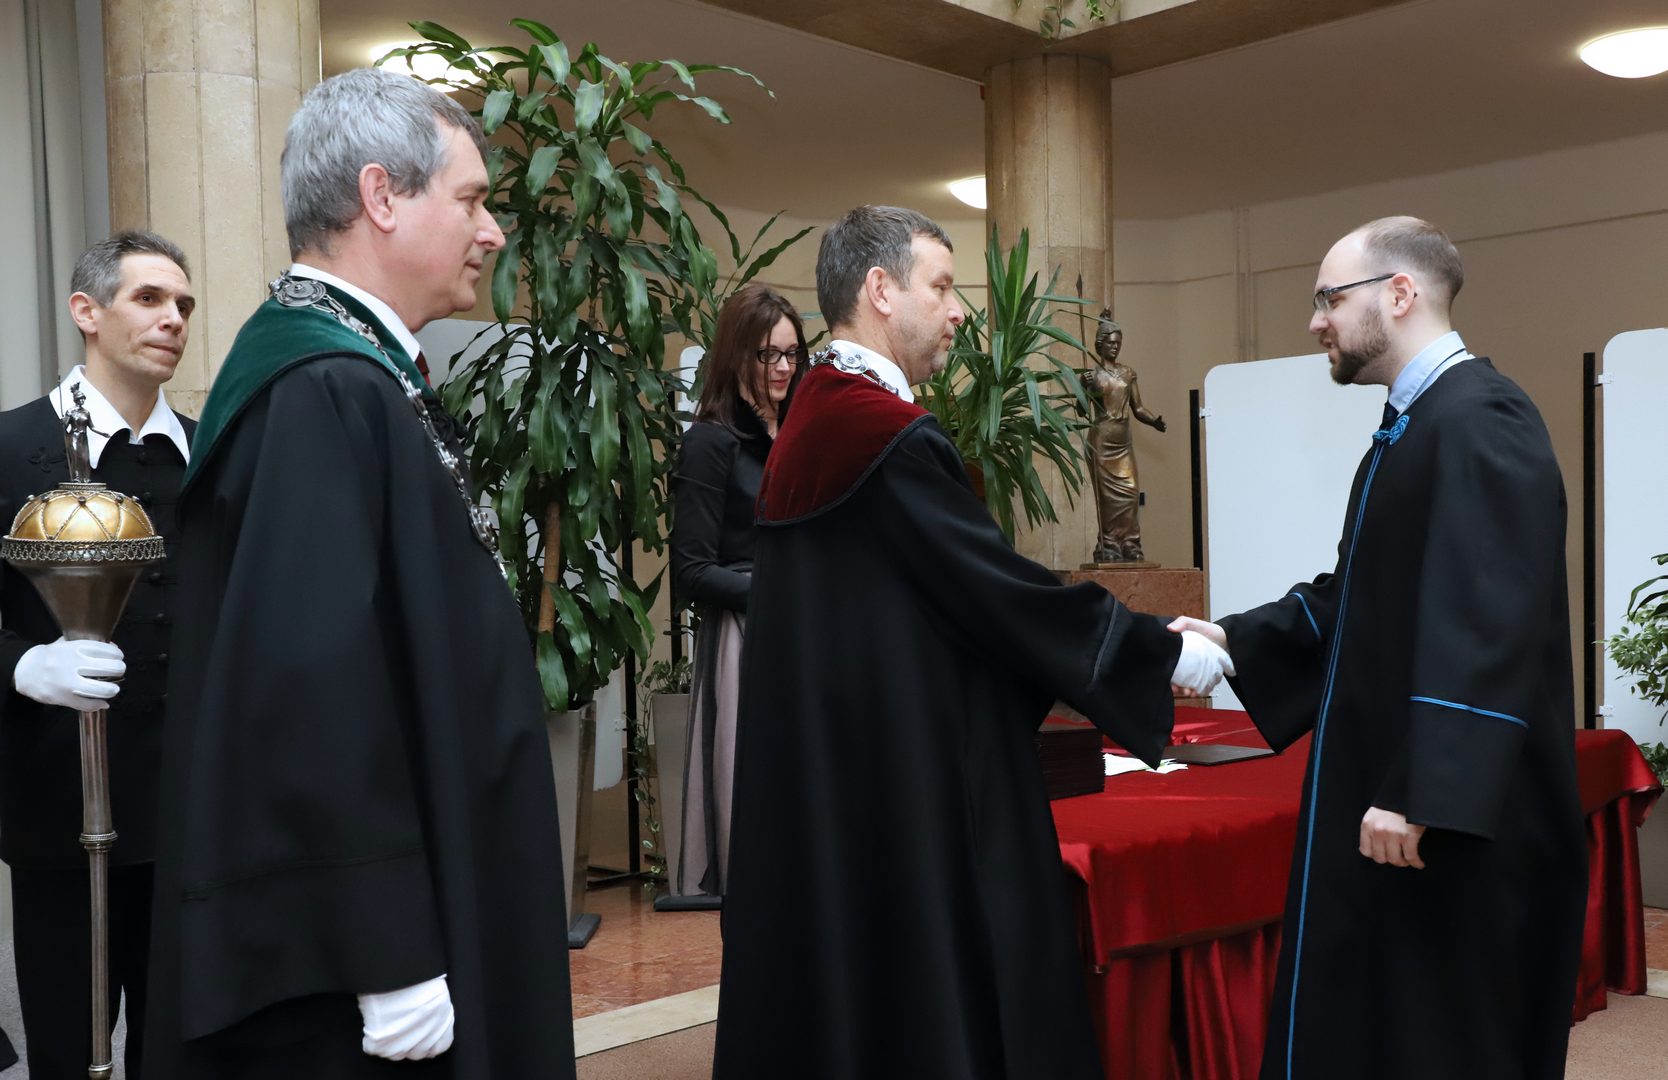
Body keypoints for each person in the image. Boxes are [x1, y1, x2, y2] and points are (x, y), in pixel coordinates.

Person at [712, 205, 1232, 1079]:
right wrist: (1155, 651)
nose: (959, 312)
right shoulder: (881, 435)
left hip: (847, 783)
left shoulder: (812, 418)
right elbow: (995, 593)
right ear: (880, 290)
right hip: (909, 790)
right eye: (943, 287)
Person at [142, 68, 575, 1079]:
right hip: (368, 967)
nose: (491, 232)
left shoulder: (356, 372)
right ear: (382, 196)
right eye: (471, 199)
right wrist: (384, 952)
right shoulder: (321, 387)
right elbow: (310, 689)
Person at [1171, 216, 1585, 1080]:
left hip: (1450, 820)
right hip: (1403, 800)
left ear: (1400, 293)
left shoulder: (1482, 417)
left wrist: (1421, 789)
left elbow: (1490, 620)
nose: (1315, 321)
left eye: (1329, 298)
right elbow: (1363, 592)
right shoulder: (1418, 424)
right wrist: (1237, 640)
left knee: (1443, 1039)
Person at [0, 229, 195, 1078]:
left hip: (191, 813)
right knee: (67, 1050)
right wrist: (22, 665)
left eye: (183, 304)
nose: (173, 318)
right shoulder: (10, 446)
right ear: (87, 310)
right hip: (58, 809)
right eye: (149, 298)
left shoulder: (211, 452)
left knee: (180, 1047)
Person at [667, 284, 806, 901]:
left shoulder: (805, 432)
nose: (782, 368)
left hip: (806, 632)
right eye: (767, 354)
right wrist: (777, 592)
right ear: (736, 355)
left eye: (791, 354)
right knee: (752, 812)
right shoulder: (710, 441)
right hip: (743, 639)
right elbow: (691, 570)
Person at [1083, 310, 1165, 563]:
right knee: (1107, 499)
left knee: (1130, 493)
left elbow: (1138, 408)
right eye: (1110, 343)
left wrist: (1154, 421)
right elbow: (1081, 411)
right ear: (1100, 344)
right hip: (1101, 439)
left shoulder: (1128, 373)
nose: (1115, 347)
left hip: (1123, 441)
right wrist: (1084, 388)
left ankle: (1130, 543)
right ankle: (1109, 545)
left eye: (1118, 343)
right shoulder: (1092, 375)